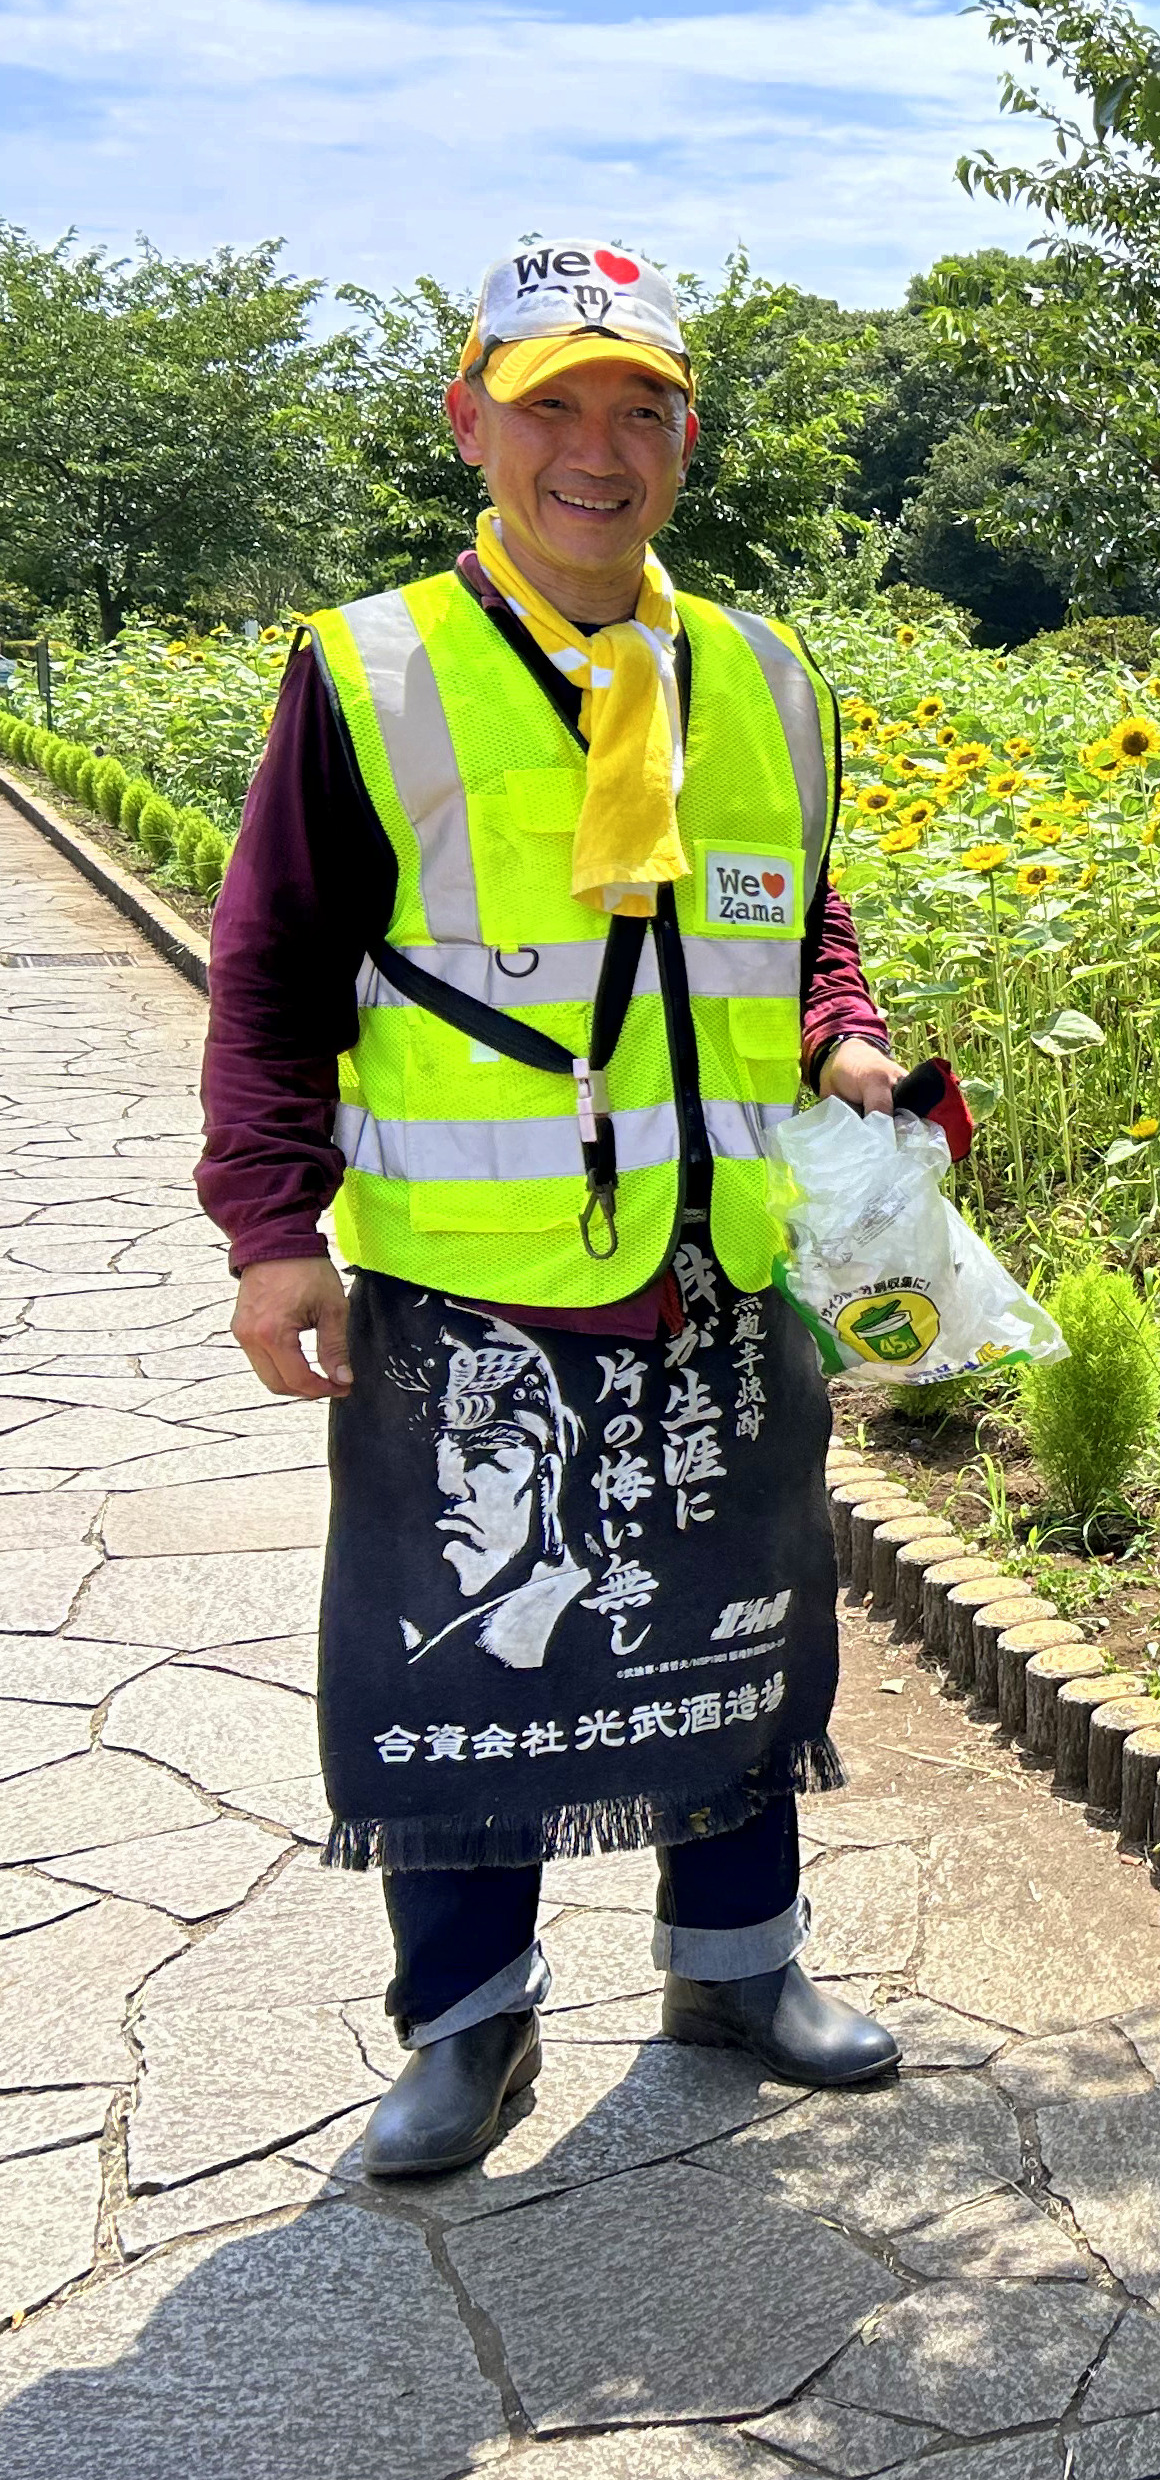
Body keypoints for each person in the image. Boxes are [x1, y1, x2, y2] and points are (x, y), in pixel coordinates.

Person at [202, 240, 909, 2177]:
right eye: (553, 406)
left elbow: (796, 917)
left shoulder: (761, 671)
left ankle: (736, 1964)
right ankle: (466, 2023)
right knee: (467, 1640)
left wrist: (844, 1039)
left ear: (687, 438)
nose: (598, 450)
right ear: (471, 424)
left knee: (731, 1618)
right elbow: (271, 968)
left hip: (717, 1250)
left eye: (642, 409)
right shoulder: (374, 671)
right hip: (471, 1272)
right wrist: (272, 1228)